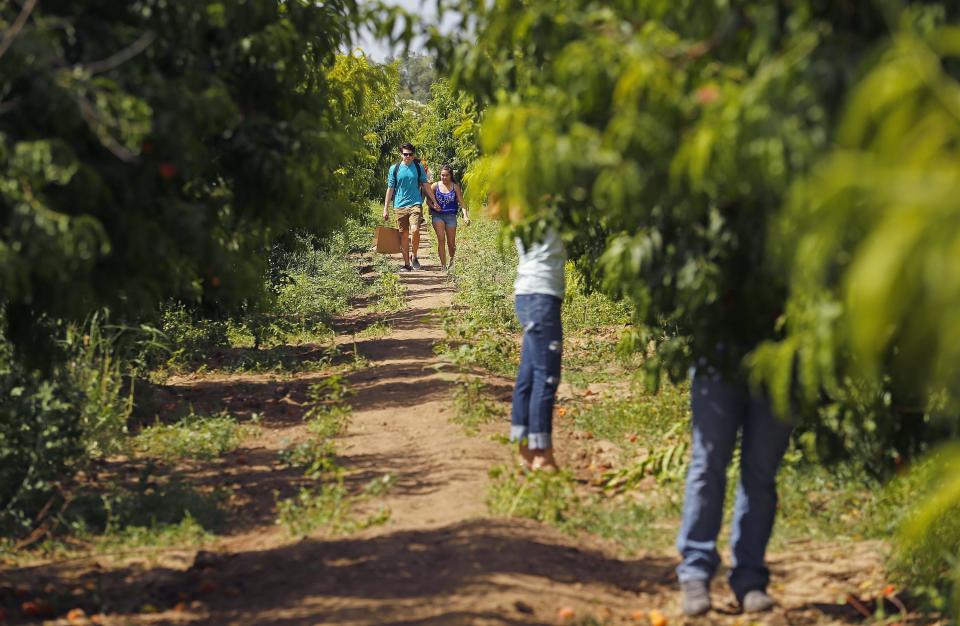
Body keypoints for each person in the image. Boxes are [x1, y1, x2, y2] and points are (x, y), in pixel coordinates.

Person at [676, 366, 793, 616]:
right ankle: (695, 573)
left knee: (761, 474)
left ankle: (749, 578)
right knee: (707, 464)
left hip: (779, 357)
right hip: (717, 353)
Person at [510, 226, 565, 471]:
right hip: (541, 296)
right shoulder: (542, 205)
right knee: (546, 375)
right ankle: (542, 454)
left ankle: (526, 449)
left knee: (530, 373)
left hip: (529, 294)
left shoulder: (522, 204)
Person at [383, 143, 438, 271]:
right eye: (405, 154)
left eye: (410, 154)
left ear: (414, 155)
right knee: (403, 235)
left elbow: (425, 185)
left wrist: (434, 200)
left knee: (415, 230)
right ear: (401, 154)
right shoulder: (394, 169)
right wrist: (386, 208)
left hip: (415, 203)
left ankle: (415, 256)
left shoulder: (418, 167)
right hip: (399, 205)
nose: (407, 157)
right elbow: (390, 189)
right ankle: (407, 264)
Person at [430, 165, 470, 271]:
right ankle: (443, 266)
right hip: (437, 216)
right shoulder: (434, 186)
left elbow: (462, 203)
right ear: (440, 175)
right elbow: (428, 200)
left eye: (447, 175)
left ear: (450, 176)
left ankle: (451, 262)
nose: (444, 177)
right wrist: (433, 205)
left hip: (451, 216)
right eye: (442, 175)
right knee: (441, 239)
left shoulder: (455, 187)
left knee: (451, 243)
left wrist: (465, 216)